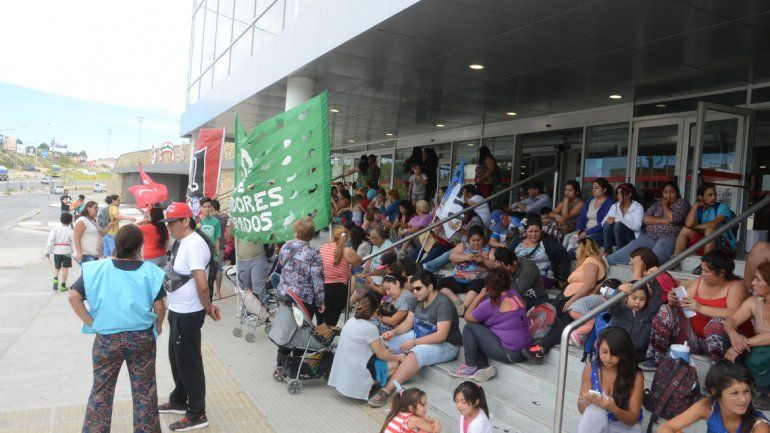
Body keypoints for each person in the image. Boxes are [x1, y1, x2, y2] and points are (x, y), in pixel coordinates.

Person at [67, 224, 167, 433]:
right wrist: (157, 326)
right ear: (140, 246)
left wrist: (91, 322)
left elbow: (73, 297)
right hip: (141, 338)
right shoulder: (150, 271)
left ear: (116, 244)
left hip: (107, 340)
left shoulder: (97, 269)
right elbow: (159, 306)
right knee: (145, 391)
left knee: (101, 391)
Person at [156, 202, 221, 432]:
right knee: (177, 359)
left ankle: (197, 413)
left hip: (189, 314)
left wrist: (208, 307)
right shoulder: (183, 242)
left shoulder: (193, 244)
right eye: (167, 223)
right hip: (178, 311)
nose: (169, 227)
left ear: (186, 221)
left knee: (189, 363)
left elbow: (202, 285)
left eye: (172, 223)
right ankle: (179, 399)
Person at [642, 250, 750, 370]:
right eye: (702, 269)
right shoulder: (700, 281)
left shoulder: (736, 286)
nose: (702, 274)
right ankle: (656, 358)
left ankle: (716, 371)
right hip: (693, 339)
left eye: (706, 271)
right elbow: (683, 303)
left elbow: (734, 313)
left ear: (721, 273)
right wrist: (673, 300)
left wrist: (700, 308)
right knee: (665, 309)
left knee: (717, 322)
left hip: (719, 342)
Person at [369, 271, 461, 407]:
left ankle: (386, 390)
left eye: (418, 288)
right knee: (382, 341)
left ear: (430, 287)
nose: (415, 292)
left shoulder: (443, 303)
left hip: (447, 344)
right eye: (413, 289)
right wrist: (393, 332)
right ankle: (371, 375)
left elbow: (441, 335)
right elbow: (408, 324)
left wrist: (414, 343)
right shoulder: (416, 299)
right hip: (419, 334)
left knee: (414, 353)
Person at [522, 238, 606, 363]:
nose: (576, 251)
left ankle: (539, 347)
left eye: (578, 248)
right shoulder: (588, 262)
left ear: (585, 248)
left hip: (572, 299)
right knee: (555, 321)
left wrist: (571, 301)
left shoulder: (591, 261)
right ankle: (537, 347)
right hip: (568, 298)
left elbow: (590, 284)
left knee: (557, 321)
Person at [449, 269, 531, 381]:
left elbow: (467, 317)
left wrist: (479, 296)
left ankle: (470, 367)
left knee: (470, 327)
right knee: (480, 327)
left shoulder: (492, 304)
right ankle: (483, 368)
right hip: (525, 351)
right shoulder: (515, 294)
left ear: (488, 286)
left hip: (511, 353)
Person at [327, 293, 405, 401]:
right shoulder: (370, 328)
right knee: (396, 364)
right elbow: (382, 355)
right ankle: (371, 386)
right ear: (374, 311)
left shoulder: (350, 321)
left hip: (341, 374)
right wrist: (399, 357)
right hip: (357, 375)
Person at [658, 361, 769, 433]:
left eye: (746, 391)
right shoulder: (708, 407)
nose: (744, 399)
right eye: (734, 393)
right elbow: (666, 427)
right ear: (715, 393)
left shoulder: (759, 427)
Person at [576, 327, 644, 433]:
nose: (608, 358)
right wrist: (584, 403)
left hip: (625, 426)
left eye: (614, 354)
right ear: (598, 349)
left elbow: (632, 419)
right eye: (604, 352)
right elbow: (582, 410)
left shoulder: (635, 376)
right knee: (594, 410)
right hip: (598, 423)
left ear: (623, 353)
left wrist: (614, 409)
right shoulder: (591, 368)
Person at [606, 181, 690, 266]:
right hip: (650, 235)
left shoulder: (682, 203)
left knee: (656, 255)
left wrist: (664, 205)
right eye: (665, 192)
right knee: (631, 248)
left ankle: (645, 269)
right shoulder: (657, 204)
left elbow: (673, 219)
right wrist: (665, 221)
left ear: (677, 193)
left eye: (672, 192)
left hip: (669, 236)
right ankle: (606, 261)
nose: (668, 195)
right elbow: (645, 219)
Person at [725, 261, 770, 409]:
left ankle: (764, 393)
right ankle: (741, 385)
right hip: (759, 355)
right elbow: (731, 320)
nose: (752, 283)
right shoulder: (754, 302)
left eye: (758, 279)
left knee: (761, 353)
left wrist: (742, 344)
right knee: (726, 337)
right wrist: (733, 334)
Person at [275, 217, 325, 318]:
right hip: (303, 299)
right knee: (302, 325)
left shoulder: (285, 246)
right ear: (311, 235)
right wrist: (320, 302)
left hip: (284, 293)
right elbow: (317, 281)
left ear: (296, 232)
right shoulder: (314, 254)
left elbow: (280, 265)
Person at [675, 182, 737, 263]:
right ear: (701, 197)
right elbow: (688, 225)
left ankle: (706, 263)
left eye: (715, 194)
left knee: (709, 230)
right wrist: (695, 206)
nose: (714, 197)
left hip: (725, 248)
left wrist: (696, 226)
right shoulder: (700, 209)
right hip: (707, 245)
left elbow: (714, 224)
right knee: (685, 230)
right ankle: (675, 261)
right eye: (709, 195)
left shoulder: (722, 207)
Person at [439, 226, 494, 315]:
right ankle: (457, 301)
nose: (476, 242)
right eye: (473, 240)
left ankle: (464, 307)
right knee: (440, 283)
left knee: (477, 285)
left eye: (478, 240)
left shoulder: (489, 249)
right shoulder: (463, 246)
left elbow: (493, 266)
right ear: (469, 240)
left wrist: (484, 260)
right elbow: (451, 257)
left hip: (476, 280)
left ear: (483, 239)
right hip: (458, 279)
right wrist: (465, 257)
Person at [608, 280, 662, 362]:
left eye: (642, 299)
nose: (638, 302)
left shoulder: (647, 313)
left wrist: (653, 282)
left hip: (637, 356)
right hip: (615, 352)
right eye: (634, 298)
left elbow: (656, 299)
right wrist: (618, 290)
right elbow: (612, 304)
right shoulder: (619, 310)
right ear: (626, 297)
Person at [511, 217, 571, 290]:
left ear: (541, 231)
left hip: (542, 278)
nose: (533, 234)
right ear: (526, 231)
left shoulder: (548, 242)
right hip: (520, 277)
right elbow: (507, 255)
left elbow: (564, 257)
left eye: (536, 231)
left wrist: (562, 279)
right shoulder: (517, 242)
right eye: (530, 231)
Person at [319, 226, 362, 327]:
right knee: (329, 325)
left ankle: (318, 336)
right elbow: (358, 262)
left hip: (320, 288)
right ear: (346, 238)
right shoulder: (347, 251)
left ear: (332, 237)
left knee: (320, 322)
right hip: (337, 290)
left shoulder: (323, 247)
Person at [564, 178, 614, 254]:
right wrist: (580, 231)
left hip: (599, 233)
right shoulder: (590, 200)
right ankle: (563, 255)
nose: (593, 190)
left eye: (596, 188)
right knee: (567, 237)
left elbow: (604, 223)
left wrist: (587, 232)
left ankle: (569, 255)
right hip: (585, 230)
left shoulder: (610, 203)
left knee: (585, 241)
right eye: (593, 188)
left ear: (604, 190)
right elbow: (582, 218)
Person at [602, 183, 644, 254]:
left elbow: (637, 227)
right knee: (607, 225)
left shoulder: (638, 207)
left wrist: (618, 220)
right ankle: (607, 251)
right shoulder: (615, 206)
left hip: (631, 238)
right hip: (616, 238)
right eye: (617, 193)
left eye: (621, 193)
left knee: (618, 225)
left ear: (629, 195)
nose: (618, 196)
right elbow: (603, 222)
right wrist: (608, 220)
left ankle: (620, 252)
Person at [46, 212, 74, 292]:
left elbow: (50, 240)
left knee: (57, 267)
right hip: (66, 251)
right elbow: (73, 241)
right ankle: (63, 286)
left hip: (57, 251)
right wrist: (73, 251)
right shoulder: (70, 230)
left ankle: (55, 279)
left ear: (61, 220)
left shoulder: (55, 229)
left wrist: (48, 251)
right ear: (70, 221)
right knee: (65, 268)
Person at [210, 199, 229, 300]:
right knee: (219, 269)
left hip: (211, 246)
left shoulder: (211, 217)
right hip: (221, 246)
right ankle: (218, 291)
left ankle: (209, 288)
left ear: (212, 207)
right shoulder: (225, 217)